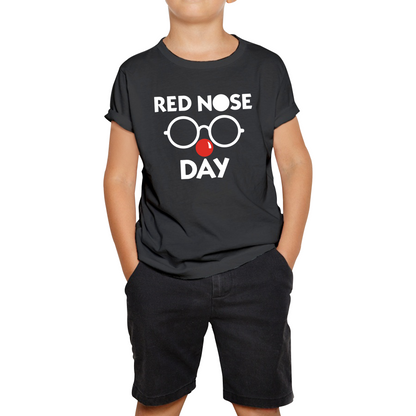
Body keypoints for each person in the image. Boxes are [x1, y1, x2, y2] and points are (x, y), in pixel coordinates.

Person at [103, 1, 312, 415]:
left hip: (256, 270)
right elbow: (119, 178)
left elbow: (295, 163)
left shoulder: (265, 68)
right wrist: (135, 271)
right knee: (158, 405)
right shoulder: (136, 74)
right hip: (161, 273)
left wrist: (283, 259)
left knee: (259, 406)